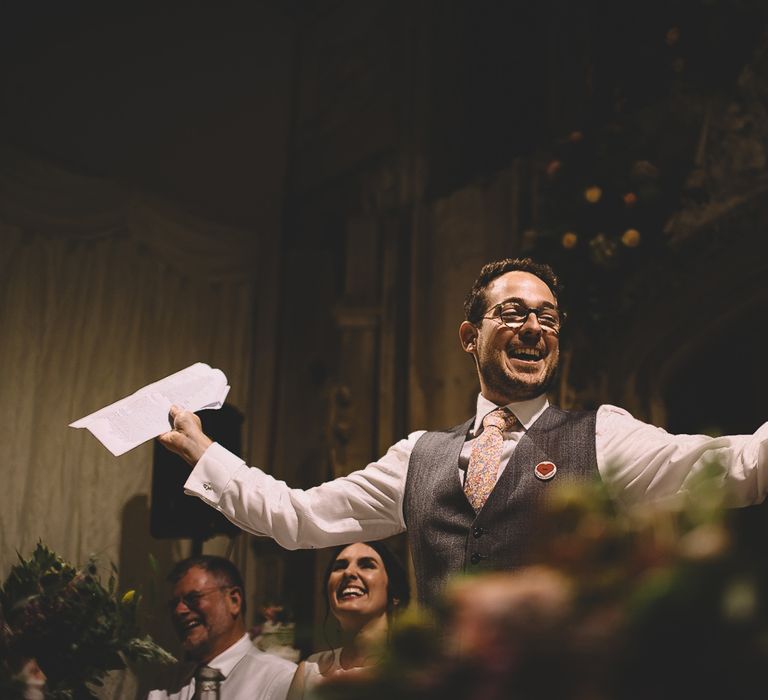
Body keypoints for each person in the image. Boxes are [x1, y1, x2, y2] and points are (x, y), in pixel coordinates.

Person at [158, 257, 768, 607]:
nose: (534, 327)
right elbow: (300, 518)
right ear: (468, 335)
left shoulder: (603, 436)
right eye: (512, 313)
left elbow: (733, 465)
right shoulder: (416, 456)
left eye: (547, 317)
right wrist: (206, 453)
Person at [145, 555, 296, 700]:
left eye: (193, 598)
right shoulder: (166, 685)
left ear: (234, 601)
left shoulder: (281, 680)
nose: (179, 611)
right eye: (173, 604)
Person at [286, 540, 410, 700]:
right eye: (339, 567)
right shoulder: (309, 671)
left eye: (367, 565)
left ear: (395, 594)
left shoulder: (414, 672)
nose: (348, 572)